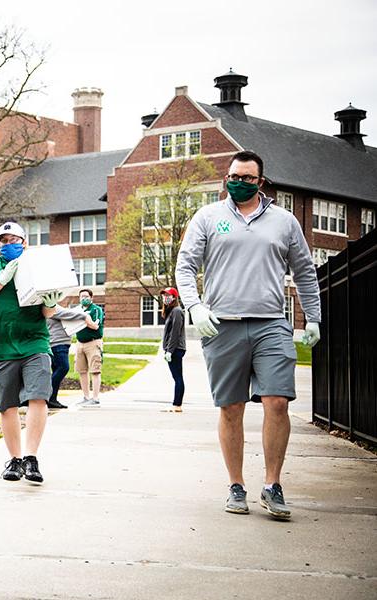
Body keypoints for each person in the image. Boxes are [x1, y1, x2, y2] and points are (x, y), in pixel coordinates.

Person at [175, 150, 321, 520]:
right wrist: (195, 306)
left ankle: (272, 485)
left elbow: (304, 271)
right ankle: (236, 486)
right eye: (234, 177)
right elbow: (186, 265)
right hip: (222, 324)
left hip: (271, 322)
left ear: (261, 182)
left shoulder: (284, 222)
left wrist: (313, 318)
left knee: (277, 402)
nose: (239, 183)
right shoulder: (208, 217)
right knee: (231, 407)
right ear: (227, 178)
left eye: (247, 178)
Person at [0, 221, 62, 484]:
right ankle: (15, 459)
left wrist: (51, 302)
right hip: (2, 345)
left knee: (38, 397)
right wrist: (1, 280)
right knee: (7, 404)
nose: (7, 245)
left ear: (24, 242)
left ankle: (31, 458)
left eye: (13, 240)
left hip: (35, 342)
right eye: (3, 241)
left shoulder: (36, 265)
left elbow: (49, 313)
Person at [45, 302, 87, 410]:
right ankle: (46, 396)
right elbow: (65, 313)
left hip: (61, 343)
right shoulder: (50, 306)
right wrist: (85, 315)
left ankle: (52, 399)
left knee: (56, 370)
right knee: (63, 368)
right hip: (57, 343)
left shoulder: (53, 305)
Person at [73, 289, 104, 406]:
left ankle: (95, 398)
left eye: (86, 296)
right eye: (81, 297)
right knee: (82, 371)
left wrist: (84, 317)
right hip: (80, 342)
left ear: (91, 298)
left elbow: (95, 326)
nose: (84, 299)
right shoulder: (77, 310)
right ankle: (86, 397)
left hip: (93, 343)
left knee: (95, 370)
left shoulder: (96, 310)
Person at [160, 287, 186, 413]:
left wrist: (170, 350)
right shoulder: (171, 311)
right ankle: (177, 404)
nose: (165, 298)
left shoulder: (176, 311)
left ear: (174, 298)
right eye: (164, 296)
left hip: (176, 349)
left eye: (168, 295)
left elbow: (175, 332)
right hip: (172, 349)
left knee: (178, 378)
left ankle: (177, 405)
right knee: (177, 377)